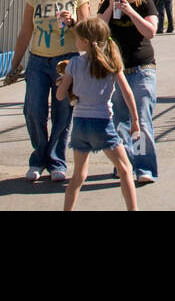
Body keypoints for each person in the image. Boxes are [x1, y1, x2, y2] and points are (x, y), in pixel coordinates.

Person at [5, 0, 90, 182]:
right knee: (33, 109)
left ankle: (56, 161)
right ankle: (39, 157)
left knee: (63, 113)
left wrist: (73, 23)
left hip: (67, 61)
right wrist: (14, 65)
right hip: (38, 61)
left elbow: (88, 33)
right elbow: (25, 32)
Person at [56, 18, 140, 211]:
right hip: (101, 123)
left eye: (77, 38)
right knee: (125, 168)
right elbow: (127, 92)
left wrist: (64, 84)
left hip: (79, 124)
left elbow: (60, 95)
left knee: (78, 176)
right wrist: (135, 120)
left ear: (85, 41)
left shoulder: (74, 63)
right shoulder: (110, 62)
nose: (75, 41)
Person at [96, 0, 159, 185]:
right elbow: (97, 31)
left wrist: (131, 11)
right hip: (116, 70)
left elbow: (151, 31)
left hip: (142, 68)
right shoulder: (108, 3)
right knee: (118, 121)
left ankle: (145, 168)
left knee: (140, 120)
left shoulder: (144, 2)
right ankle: (125, 164)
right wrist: (108, 10)